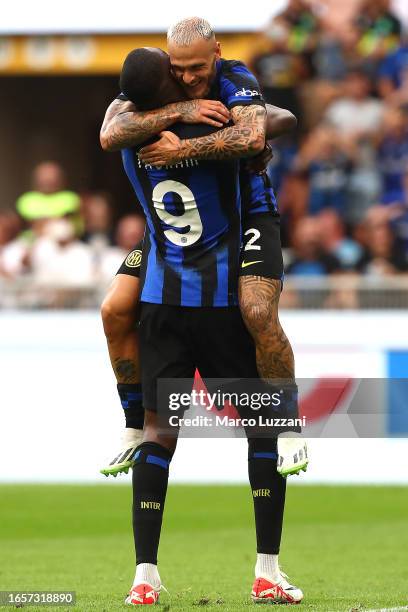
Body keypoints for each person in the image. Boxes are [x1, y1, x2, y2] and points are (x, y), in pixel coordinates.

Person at [100, 23, 305, 606]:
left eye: (197, 69)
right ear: (168, 68)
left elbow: (265, 126)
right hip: (173, 254)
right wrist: (188, 111)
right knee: (115, 309)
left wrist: (238, 126)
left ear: (213, 54)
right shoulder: (154, 115)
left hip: (234, 232)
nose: (191, 77)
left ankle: (287, 422)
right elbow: (111, 131)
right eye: (180, 71)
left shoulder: (234, 80)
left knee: (257, 307)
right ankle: (132, 423)